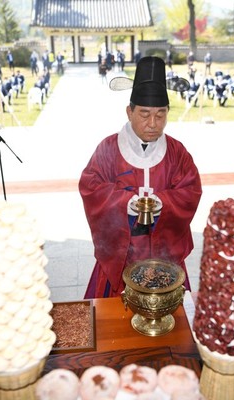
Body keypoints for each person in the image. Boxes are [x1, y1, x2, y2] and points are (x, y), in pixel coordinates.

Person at [79, 56, 202, 298]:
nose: (153, 123)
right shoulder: (109, 148)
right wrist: (125, 202)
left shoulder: (177, 152)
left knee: (172, 321)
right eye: (144, 114)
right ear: (129, 111)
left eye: (161, 114)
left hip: (164, 252)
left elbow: (190, 192)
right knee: (111, 322)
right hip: (121, 252)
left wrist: (163, 203)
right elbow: (90, 187)